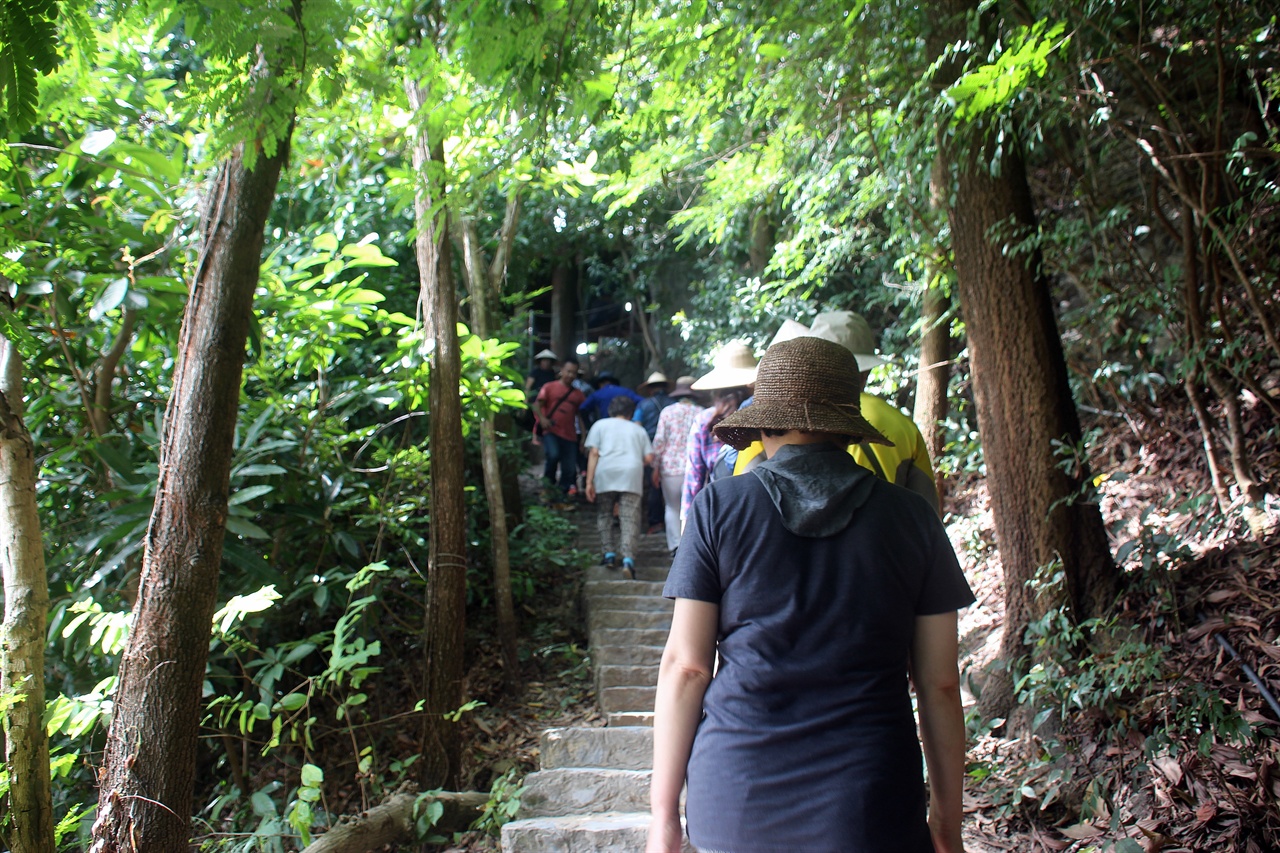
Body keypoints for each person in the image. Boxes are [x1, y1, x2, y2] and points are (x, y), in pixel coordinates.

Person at [648, 336, 973, 853]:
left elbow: (687, 668)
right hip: (870, 802)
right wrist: (947, 825)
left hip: (737, 795)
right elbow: (938, 685)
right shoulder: (912, 519)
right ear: (847, 426)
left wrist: (663, 820)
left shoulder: (718, 508)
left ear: (764, 422)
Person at [732, 311, 941, 514]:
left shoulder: (774, 419)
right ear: (866, 373)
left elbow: (743, 500)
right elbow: (928, 513)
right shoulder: (903, 426)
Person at [682, 341, 757, 526]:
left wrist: (687, 522)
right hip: (762, 510)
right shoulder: (766, 417)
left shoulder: (705, 420)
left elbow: (694, 476)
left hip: (722, 511)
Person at [583, 396, 654, 579]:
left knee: (605, 513)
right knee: (630, 517)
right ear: (631, 412)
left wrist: (589, 482)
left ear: (610, 411)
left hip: (605, 473)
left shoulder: (600, 425)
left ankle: (609, 555)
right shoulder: (638, 430)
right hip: (630, 474)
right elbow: (648, 458)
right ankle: (628, 560)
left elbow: (593, 453)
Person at [650, 376, 705, 555]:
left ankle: (675, 545)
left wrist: (655, 467)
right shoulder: (702, 412)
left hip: (670, 468)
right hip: (696, 467)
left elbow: (659, 442)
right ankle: (692, 546)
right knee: (693, 508)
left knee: (672, 507)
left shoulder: (667, 412)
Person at [532, 357, 586, 497]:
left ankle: (562, 493)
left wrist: (584, 437)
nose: (570, 375)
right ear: (562, 371)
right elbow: (537, 405)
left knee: (569, 467)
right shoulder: (549, 387)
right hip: (551, 431)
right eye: (568, 371)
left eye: (574, 373)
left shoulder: (578, 394)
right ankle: (548, 487)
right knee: (553, 455)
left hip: (570, 434)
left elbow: (580, 416)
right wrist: (542, 419)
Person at [633, 371, 675, 531]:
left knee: (654, 485)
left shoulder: (643, 405)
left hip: (651, 448)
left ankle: (655, 522)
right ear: (666, 387)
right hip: (673, 448)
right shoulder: (673, 403)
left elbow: (637, 425)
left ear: (650, 389)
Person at [578, 370, 643, 427]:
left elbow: (583, 408)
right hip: (625, 425)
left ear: (599, 384)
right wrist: (636, 419)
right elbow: (643, 402)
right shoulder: (626, 391)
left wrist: (589, 425)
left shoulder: (597, 394)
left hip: (605, 427)